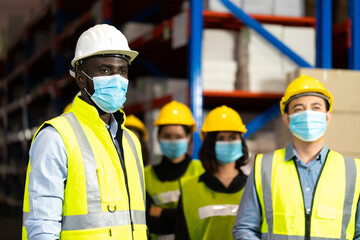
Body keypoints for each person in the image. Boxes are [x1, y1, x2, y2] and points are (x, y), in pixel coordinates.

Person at [22, 24, 147, 240]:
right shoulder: (56, 137)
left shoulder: (131, 141)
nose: (117, 79)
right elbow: (42, 226)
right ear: (81, 79)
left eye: (122, 70)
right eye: (105, 70)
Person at [233, 74, 360, 239]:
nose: (308, 115)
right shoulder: (263, 166)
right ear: (287, 119)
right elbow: (245, 228)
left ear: (327, 117)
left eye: (316, 108)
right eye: (299, 109)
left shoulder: (353, 170)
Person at [175, 105, 249, 240]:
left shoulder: (255, 187)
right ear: (210, 143)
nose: (227, 143)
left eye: (232, 137)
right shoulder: (189, 189)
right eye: (221, 138)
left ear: (241, 142)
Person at [145, 101, 204, 240]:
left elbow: (199, 218)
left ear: (189, 138)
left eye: (178, 136)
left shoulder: (201, 171)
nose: (172, 140)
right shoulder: (145, 175)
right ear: (158, 137)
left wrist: (160, 212)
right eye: (167, 136)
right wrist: (179, 216)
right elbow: (145, 221)